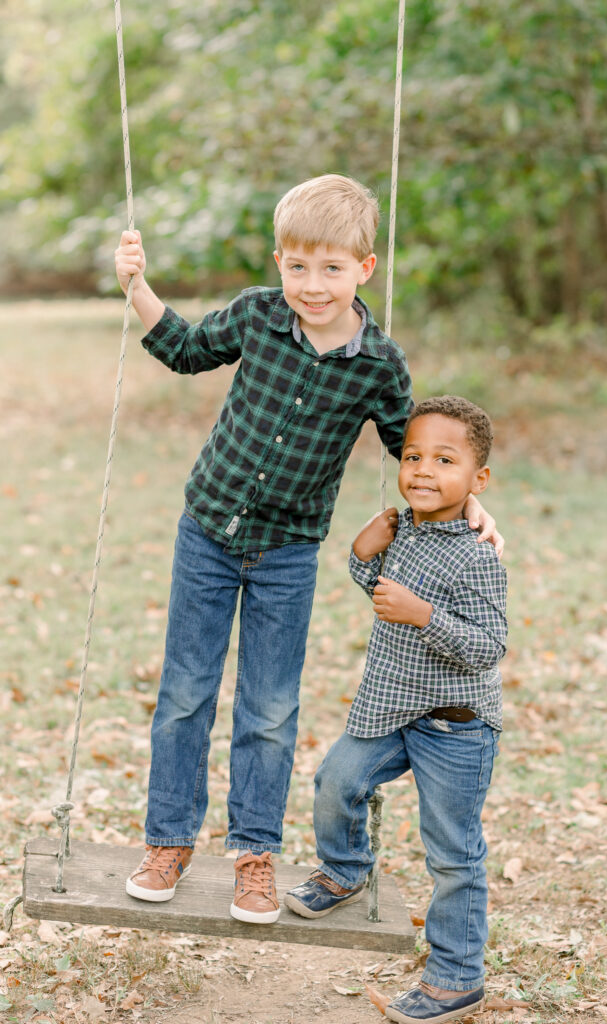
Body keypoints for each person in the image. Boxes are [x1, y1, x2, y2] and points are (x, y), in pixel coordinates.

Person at [113, 175, 503, 925]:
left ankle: (253, 854)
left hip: (287, 551)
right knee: (186, 692)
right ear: (278, 262)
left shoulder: (379, 364)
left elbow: (410, 452)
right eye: (297, 267)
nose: (311, 285)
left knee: (267, 706)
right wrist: (137, 286)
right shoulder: (258, 316)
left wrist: (471, 498)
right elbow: (187, 349)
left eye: (330, 269)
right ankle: (168, 840)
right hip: (208, 532)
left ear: (363, 269)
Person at [285, 395, 507, 1023]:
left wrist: (424, 614)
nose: (423, 471)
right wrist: (362, 550)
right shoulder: (404, 526)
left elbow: (489, 646)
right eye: (412, 456)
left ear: (478, 479)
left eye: (444, 459)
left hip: (456, 728)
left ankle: (457, 977)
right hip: (391, 709)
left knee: (452, 852)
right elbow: (379, 588)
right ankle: (345, 868)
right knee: (337, 780)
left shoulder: (477, 553)